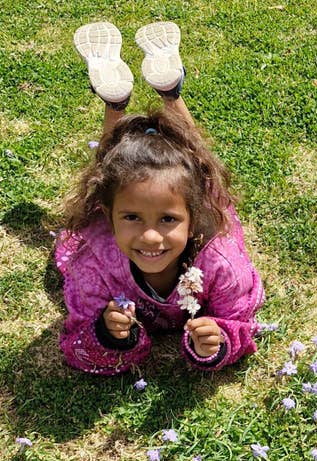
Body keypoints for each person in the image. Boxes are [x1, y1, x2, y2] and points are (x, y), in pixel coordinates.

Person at [55, 21, 264, 375]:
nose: (151, 237)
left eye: (168, 219)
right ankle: (116, 102)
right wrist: (108, 335)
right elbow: (78, 344)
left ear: (192, 217)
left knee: (202, 170)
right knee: (112, 174)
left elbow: (242, 319)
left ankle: (170, 92)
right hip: (124, 210)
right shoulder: (93, 262)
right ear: (108, 217)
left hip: (197, 203)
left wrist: (220, 340)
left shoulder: (222, 262)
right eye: (132, 218)